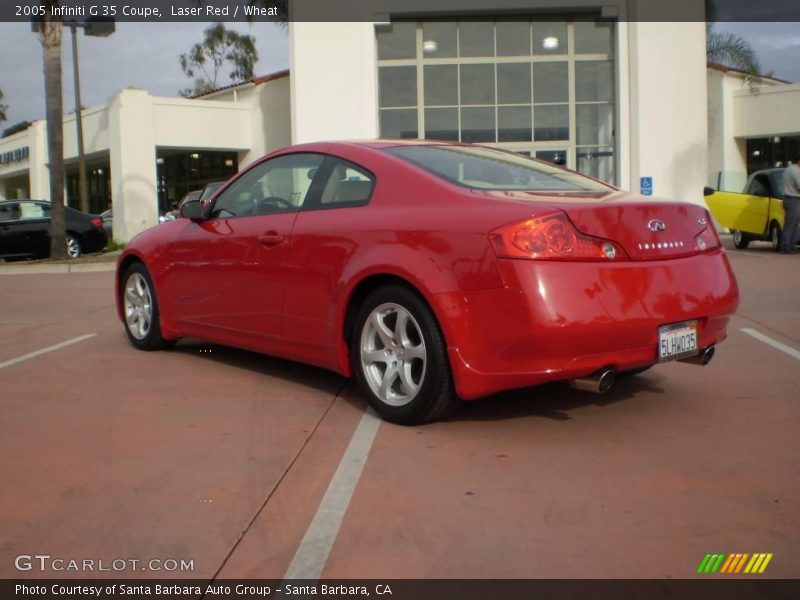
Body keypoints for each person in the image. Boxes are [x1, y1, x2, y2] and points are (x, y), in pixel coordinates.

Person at [780, 155, 800, 253]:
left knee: (794, 223)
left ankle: (791, 244)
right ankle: (786, 246)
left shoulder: (788, 170)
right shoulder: (796, 171)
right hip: (793, 198)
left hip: (788, 198)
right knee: (791, 223)